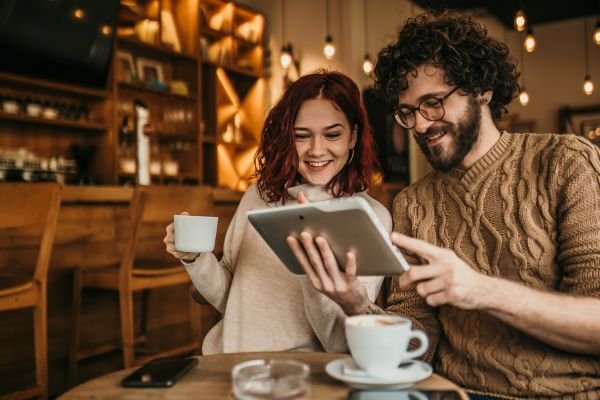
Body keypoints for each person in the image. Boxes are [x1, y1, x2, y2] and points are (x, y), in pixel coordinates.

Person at [287, 12, 600, 399]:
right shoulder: (414, 204)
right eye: (408, 112)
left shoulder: (565, 162)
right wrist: (355, 303)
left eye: (433, 103)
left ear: (482, 88)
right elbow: (414, 347)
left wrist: (481, 291)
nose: (420, 125)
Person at [163, 70, 391, 354]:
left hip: (300, 376)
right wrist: (195, 257)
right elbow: (230, 301)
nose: (316, 150)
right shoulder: (259, 196)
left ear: (353, 137)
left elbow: (340, 343)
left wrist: (310, 273)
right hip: (227, 361)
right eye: (302, 136)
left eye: (333, 135)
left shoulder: (369, 216)